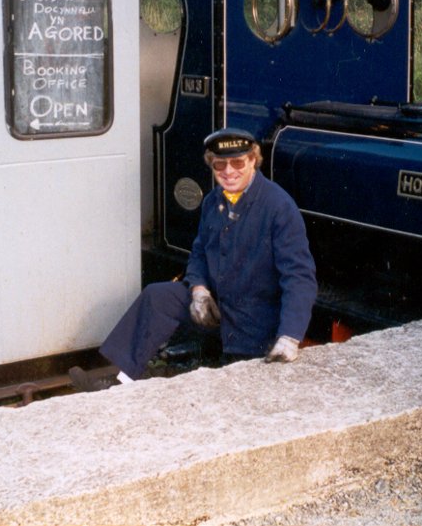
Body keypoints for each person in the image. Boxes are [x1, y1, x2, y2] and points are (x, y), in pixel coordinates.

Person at [71, 128, 317, 391]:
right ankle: (119, 382)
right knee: (158, 296)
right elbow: (199, 252)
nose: (229, 171)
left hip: (254, 320)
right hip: (217, 307)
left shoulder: (278, 206)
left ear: (253, 161)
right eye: (220, 164)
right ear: (211, 165)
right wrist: (199, 290)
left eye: (238, 163)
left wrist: (290, 336)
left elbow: (299, 277)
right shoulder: (213, 201)